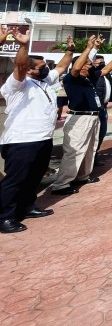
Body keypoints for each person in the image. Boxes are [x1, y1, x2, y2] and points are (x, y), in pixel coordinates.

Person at [0, 27, 74, 233]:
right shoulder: (18, 84)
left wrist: (69, 51)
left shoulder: (43, 81)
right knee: (15, 180)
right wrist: (23, 45)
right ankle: (5, 216)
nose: (45, 69)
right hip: (21, 140)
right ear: (30, 69)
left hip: (42, 138)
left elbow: (61, 67)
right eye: (40, 66)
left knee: (34, 176)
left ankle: (26, 207)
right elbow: (20, 64)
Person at [51, 36, 112, 195]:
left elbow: (105, 70)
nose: (92, 66)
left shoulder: (88, 78)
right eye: (89, 64)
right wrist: (89, 47)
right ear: (81, 65)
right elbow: (76, 68)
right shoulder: (72, 78)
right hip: (79, 118)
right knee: (74, 151)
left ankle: (82, 176)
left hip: (93, 117)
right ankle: (62, 184)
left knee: (90, 149)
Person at [92, 40, 112, 161]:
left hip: (103, 108)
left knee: (102, 133)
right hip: (96, 108)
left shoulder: (106, 75)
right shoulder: (94, 75)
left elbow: (110, 67)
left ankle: (95, 155)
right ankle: (92, 157)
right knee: (95, 134)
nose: (103, 64)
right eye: (99, 63)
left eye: (104, 62)